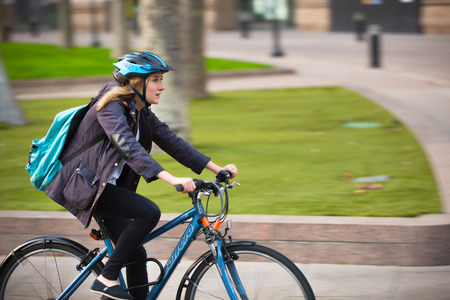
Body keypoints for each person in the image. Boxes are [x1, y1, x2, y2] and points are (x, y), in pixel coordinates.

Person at [45, 51, 238, 300]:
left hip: (104, 186)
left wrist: (217, 169)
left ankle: (112, 287)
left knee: (136, 254)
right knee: (149, 212)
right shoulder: (109, 106)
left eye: (161, 79)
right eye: (156, 79)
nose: (162, 86)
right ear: (136, 82)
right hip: (83, 186)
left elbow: (171, 141)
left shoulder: (139, 109)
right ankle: (106, 278)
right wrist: (172, 179)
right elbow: (126, 146)